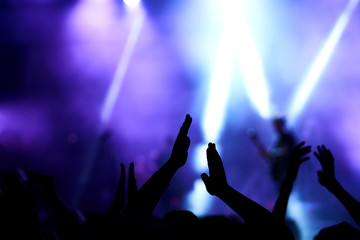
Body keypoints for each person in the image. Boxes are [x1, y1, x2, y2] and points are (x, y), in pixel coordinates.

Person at [248, 116, 296, 191]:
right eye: (274, 125)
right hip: (278, 175)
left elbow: (286, 151)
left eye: (277, 124)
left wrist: (270, 153)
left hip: (286, 174)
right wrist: (265, 153)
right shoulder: (277, 141)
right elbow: (271, 157)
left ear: (282, 124)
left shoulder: (288, 137)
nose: (275, 127)